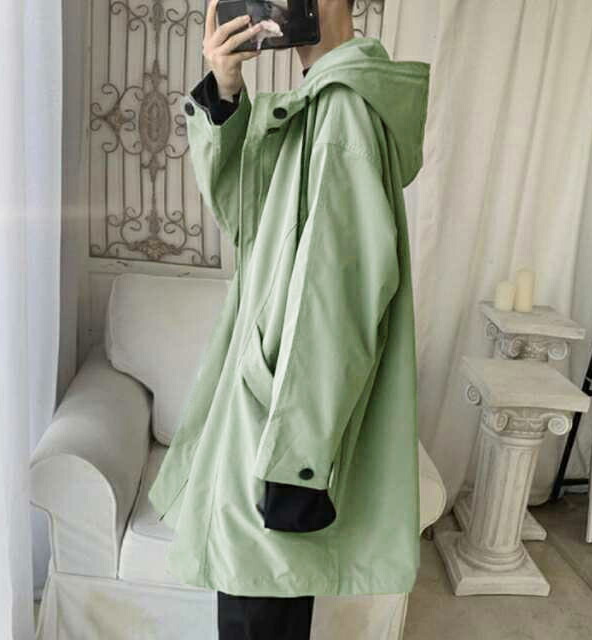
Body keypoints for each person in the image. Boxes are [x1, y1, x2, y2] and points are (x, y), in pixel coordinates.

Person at [148, 0, 430, 638]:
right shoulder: (320, 103)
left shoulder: (343, 110)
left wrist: (298, 461)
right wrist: (225, 92)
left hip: (277, 424)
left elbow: (339, 300)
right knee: (259, 602)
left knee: (258, 609)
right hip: (268, 409)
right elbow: (248, 222)